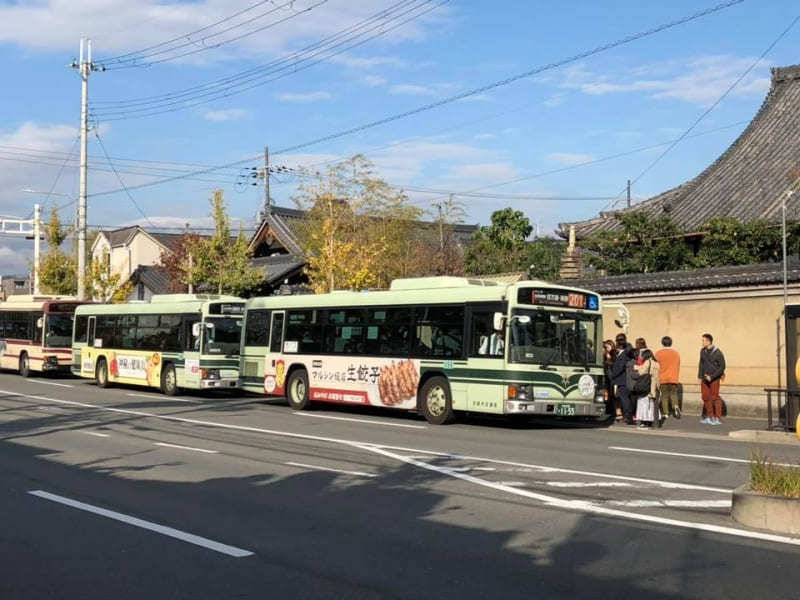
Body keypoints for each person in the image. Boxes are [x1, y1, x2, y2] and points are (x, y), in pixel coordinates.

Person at [698, 333, 725, 425]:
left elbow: (722, 367)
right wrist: (700, 376)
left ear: (709, 341)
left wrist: (712, 377)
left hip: (714, 378)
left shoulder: (718, 353)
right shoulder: (702, 351)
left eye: (704, 340)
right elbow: (701, 364)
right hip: (704, 378)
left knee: (714, 397)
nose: (702, 342)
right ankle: (710, 416)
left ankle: (717, 418)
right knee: (705, 397)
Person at [631, 348, 660, 428]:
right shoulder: (657, 363)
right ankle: (650, 421)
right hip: (653, 387)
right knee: (650, 405)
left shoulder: (647, 362)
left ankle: (643, 422)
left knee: (643, 404)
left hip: (646, 386)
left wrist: (636, 368)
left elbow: (641, 372)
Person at [610, 333, 635, 424]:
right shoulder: (627, 352)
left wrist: (612, 375)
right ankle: (628, 416)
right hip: (625, 380)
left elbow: (619, 368)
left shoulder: (623, 354)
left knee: (624, 399)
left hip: (622, 380)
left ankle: (628, 417)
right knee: (626, 399)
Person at [655, 336, 681, 419]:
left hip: (663, 377)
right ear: (671, 343)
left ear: (662, 343)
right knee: (674, 394)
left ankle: (665, 413)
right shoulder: (676, 353)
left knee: (664, 396)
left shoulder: (658, 353)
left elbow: (656, 366)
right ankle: (676, 406)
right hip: (673, 377)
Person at [602, 340, 618, 418]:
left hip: (611, 376)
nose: (607, 348)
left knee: (612, 393)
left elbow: (614, 364)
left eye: (608, 346)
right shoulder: (604, 354)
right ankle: (607, 408)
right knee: (606, 392)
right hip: (606, 376)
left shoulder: (614, 354)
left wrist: (608, 359)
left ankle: (611, 410)